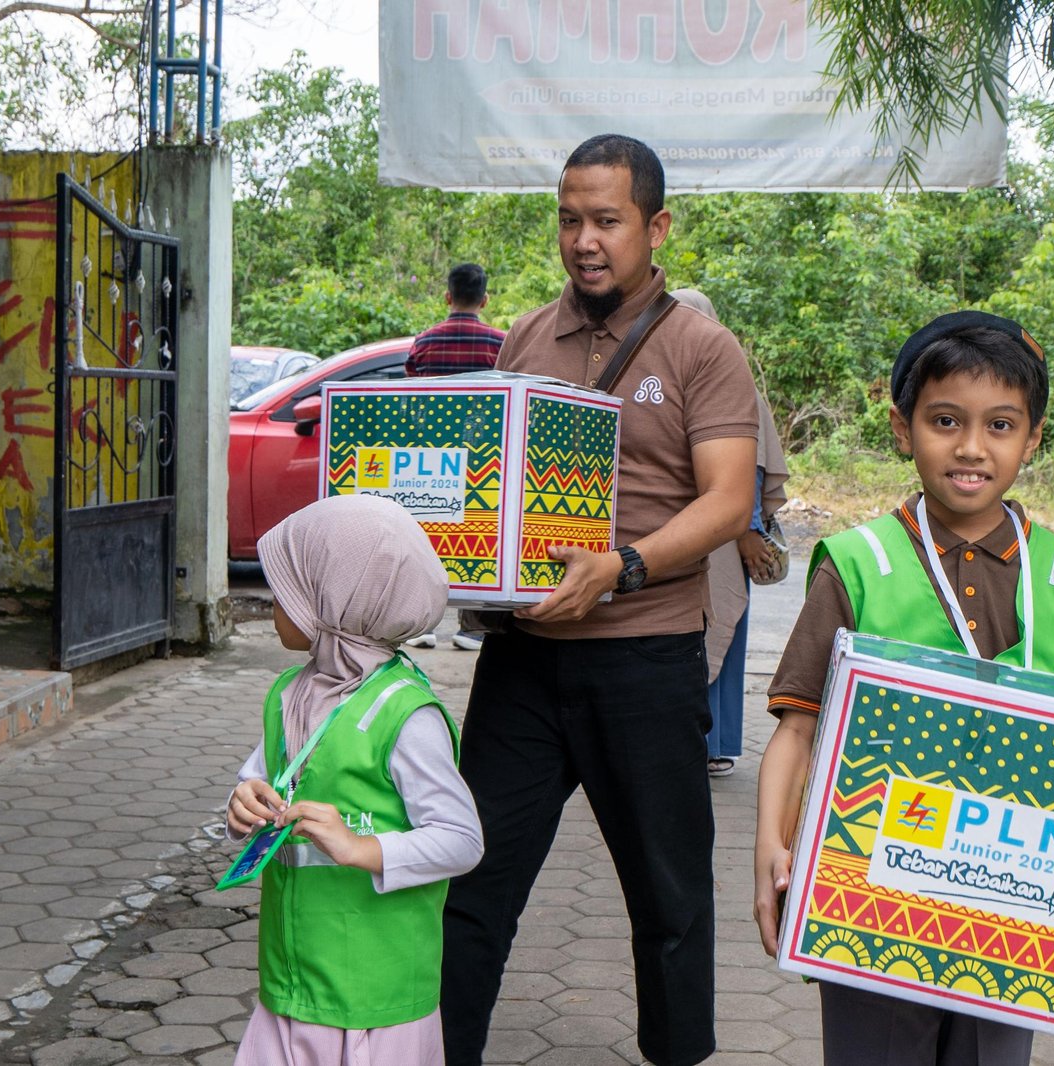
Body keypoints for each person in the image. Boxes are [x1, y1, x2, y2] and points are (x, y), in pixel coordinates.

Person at [440, 134, 759, 1066]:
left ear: (656, 228)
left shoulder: (702, 347)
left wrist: (619, 568)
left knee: (669, 900)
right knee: (470, 881)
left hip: (645, 659)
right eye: (571, 219)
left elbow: (728, 500)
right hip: (526, 662)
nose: (586, 239)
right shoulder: (527, 336)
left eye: (607, 221)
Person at [751, 311, 1054, 1066]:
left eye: (999, 425)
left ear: (1033, 438)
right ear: (903, 428)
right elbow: (798, 727)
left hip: (1016, 906)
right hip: (866, 889)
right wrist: (771, 842)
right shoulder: (857, 563)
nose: (970, 447)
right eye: (946, 420)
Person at [225, 493, 484, 1066]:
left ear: (334, 601)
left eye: (287, 589)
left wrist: (361, 848)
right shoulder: (289, 696)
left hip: (377, 997)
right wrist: (241, 804)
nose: (274, 603)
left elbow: (463, 840)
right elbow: (261, 779)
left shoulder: (404, 713)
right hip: (291, 981)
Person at [668, 288, 790, 778]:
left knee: (717, 630)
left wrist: (748, 531)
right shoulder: (672, 379)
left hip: (725, 535)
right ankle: (692, 741)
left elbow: (752, 468)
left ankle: (714, 745)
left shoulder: (730, 382)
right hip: (681, 533)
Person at [404, 262, 508, 652]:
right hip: (485, 459)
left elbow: (411, 400)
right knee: (479, 538)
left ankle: (422, 624)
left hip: (433, 459)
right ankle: (472, 628)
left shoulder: (425, 343)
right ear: (484, 299)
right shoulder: (500, 343)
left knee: (428, 538)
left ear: (447, 296)